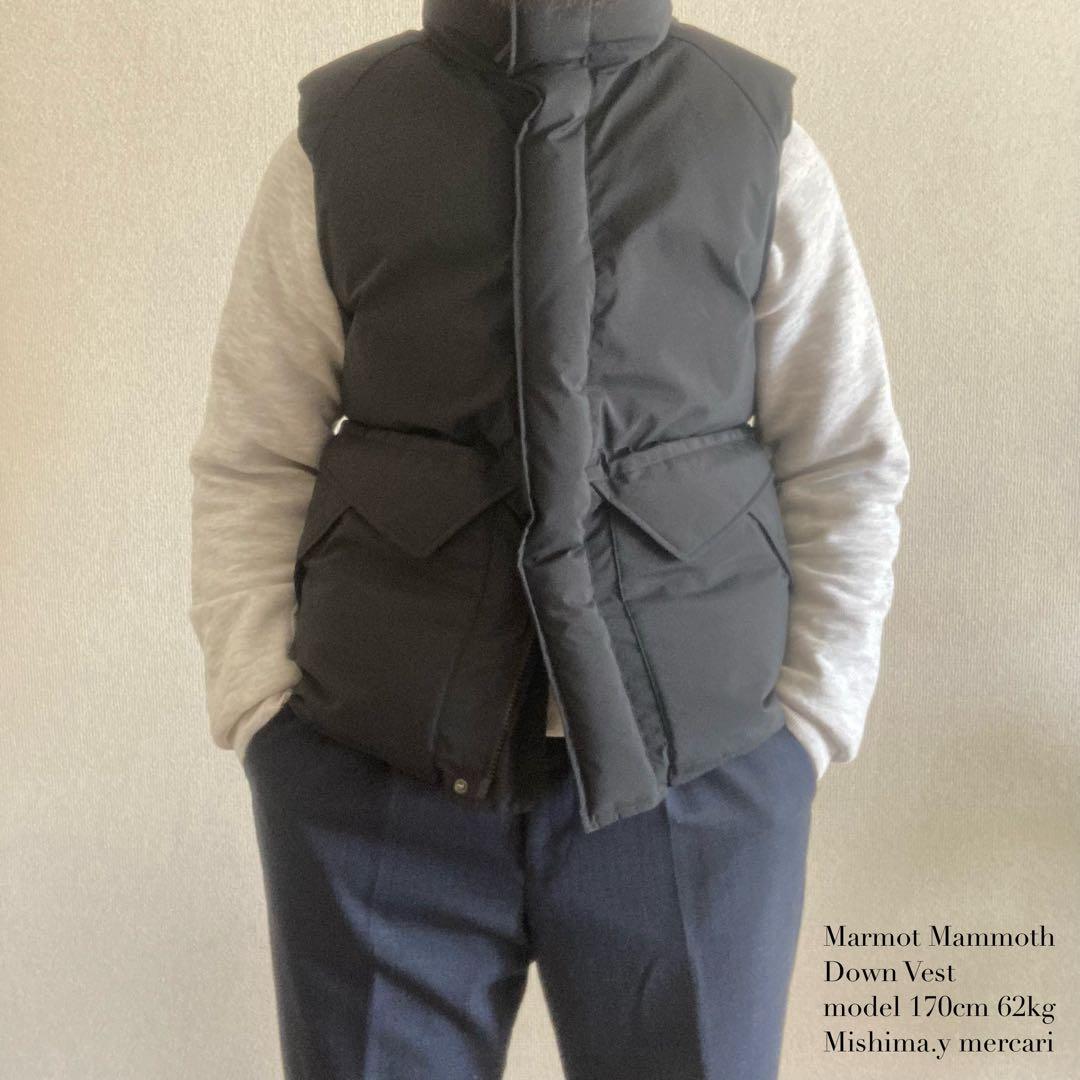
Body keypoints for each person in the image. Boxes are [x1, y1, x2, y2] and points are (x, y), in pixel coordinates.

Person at [188, 1, 911, 1076]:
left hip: (699, 779)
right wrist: (262, 709)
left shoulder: (749, 130)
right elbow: (256, 452)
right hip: (375, 776)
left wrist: (809, 721)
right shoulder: (344, 134)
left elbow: (842, 452)